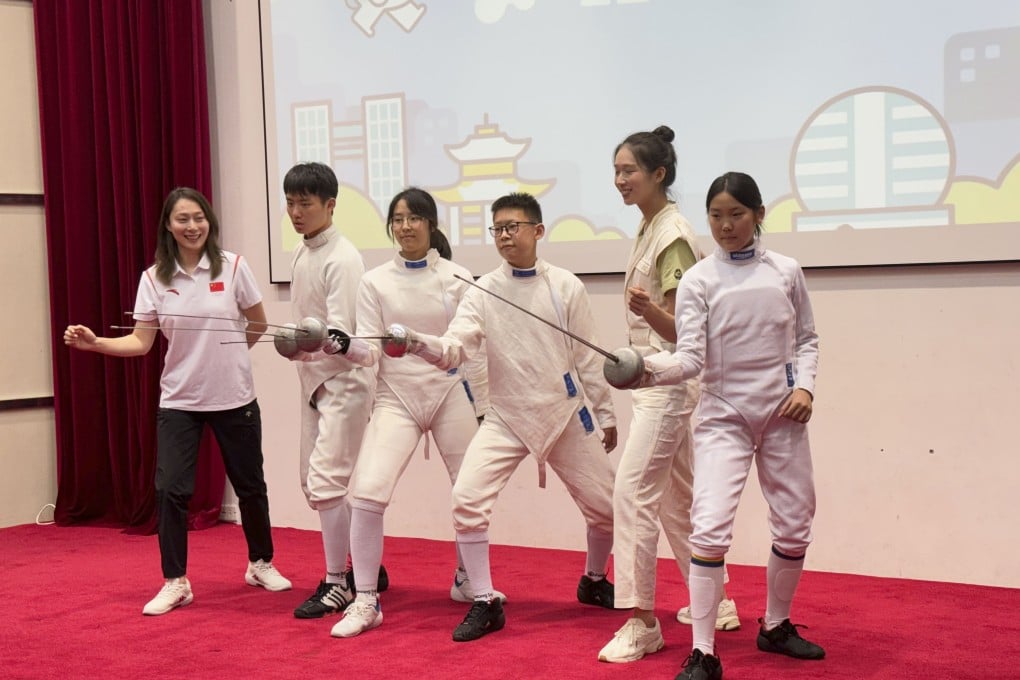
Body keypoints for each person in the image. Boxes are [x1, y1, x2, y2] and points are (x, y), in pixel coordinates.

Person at [385, 192, 618, 642]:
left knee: (607, 509)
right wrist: (416, 342)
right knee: (467, 499)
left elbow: (589, 357)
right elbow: (455, 347)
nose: (506, 236)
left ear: (537, 230)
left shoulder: (566, 285)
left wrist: (605, 414)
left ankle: (593, 581)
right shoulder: (483, 289)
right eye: (498, 229)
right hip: (506, 415)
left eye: (514, 227)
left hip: (565, 411)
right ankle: (484, 599)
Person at [63, 187, 291, 616]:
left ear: (210, 221)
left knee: (250, 486)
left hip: (234, 396)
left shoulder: (235, 266)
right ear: (168, 226)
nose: (192, 226)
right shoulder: (154, 278)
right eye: (182, 219)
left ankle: (260, 563)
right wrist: (95, 344)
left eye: (199, 218)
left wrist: (229, 357)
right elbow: (140, 342)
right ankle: (175, 581)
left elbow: (258, 324)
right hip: (180, 400)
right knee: (170, 489)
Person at [633, 172, 824, 679]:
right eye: (716, 216)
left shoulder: (786, 271)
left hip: (783, 414)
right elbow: (690, 358)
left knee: (795, 523)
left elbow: (807, 338)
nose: (725, 225)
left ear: (758, 214)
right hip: (724, 418)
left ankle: (776, 626)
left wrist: (804, 387)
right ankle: (703, 651)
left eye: (736, 214)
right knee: (710, 527)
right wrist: (644, 370)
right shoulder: (699, 279)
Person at [327, 187, 505, 639]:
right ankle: (366, 598)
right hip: (397, 398)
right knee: (366, 492)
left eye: (415, 218)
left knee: (471, 491)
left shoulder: (458, 277)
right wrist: (345, 346)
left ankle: (470, 584)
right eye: (398, 219)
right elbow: (369, 352)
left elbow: (471, 350)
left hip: (449, 393)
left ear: (431, 224)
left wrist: (483, 406)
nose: (406, 226)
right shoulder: (375, 281)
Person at [598, 127, 738, 664]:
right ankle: (718, 601)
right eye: (615, 171)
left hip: (668, 384)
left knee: (632, 494)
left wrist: (644, 312)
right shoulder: (650, 227)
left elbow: (684, 331)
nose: (620, 180)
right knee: (679, 499)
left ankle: (640, 620)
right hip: (652, 382)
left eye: (629, 170)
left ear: (659, 174)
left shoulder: (672, 233)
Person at [283, 162, 379, 625]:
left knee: (327, 482)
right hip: (314, 381)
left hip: (344, 381)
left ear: (330, 205)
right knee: (312, 482)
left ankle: (339, 584)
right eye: (291, 203)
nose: (296, 212)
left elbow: (341, 334)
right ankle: (363, 564)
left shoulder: (343, 257)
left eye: (305, 203)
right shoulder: (303, 253)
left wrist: (302, 344)